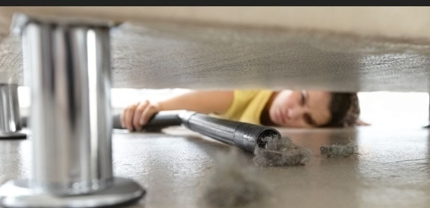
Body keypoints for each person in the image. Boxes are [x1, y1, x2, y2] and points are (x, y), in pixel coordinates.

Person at [121, 89, 365, 132]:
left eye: (308, 119)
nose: (293, 114)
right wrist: (158, 107)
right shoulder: (249, 91)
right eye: (301, 98)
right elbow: (205, 99)